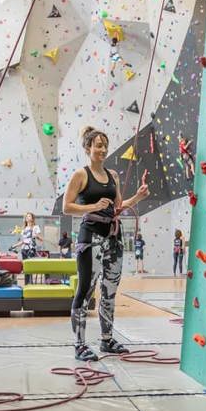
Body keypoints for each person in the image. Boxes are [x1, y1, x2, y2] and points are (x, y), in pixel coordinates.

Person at [63, 126, 149, 361]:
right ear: (88, 148)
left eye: (104, 145)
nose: (102, 149)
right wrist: (93, 206)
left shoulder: (114, 176)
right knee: (85, 290)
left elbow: (117, 207)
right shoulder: (81, 175)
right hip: (91, 238)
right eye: (98, 145)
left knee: (109, 291)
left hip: (113, 238)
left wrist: (139, 196)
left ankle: (106, 339)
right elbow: (67, 207)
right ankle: (79, 345)